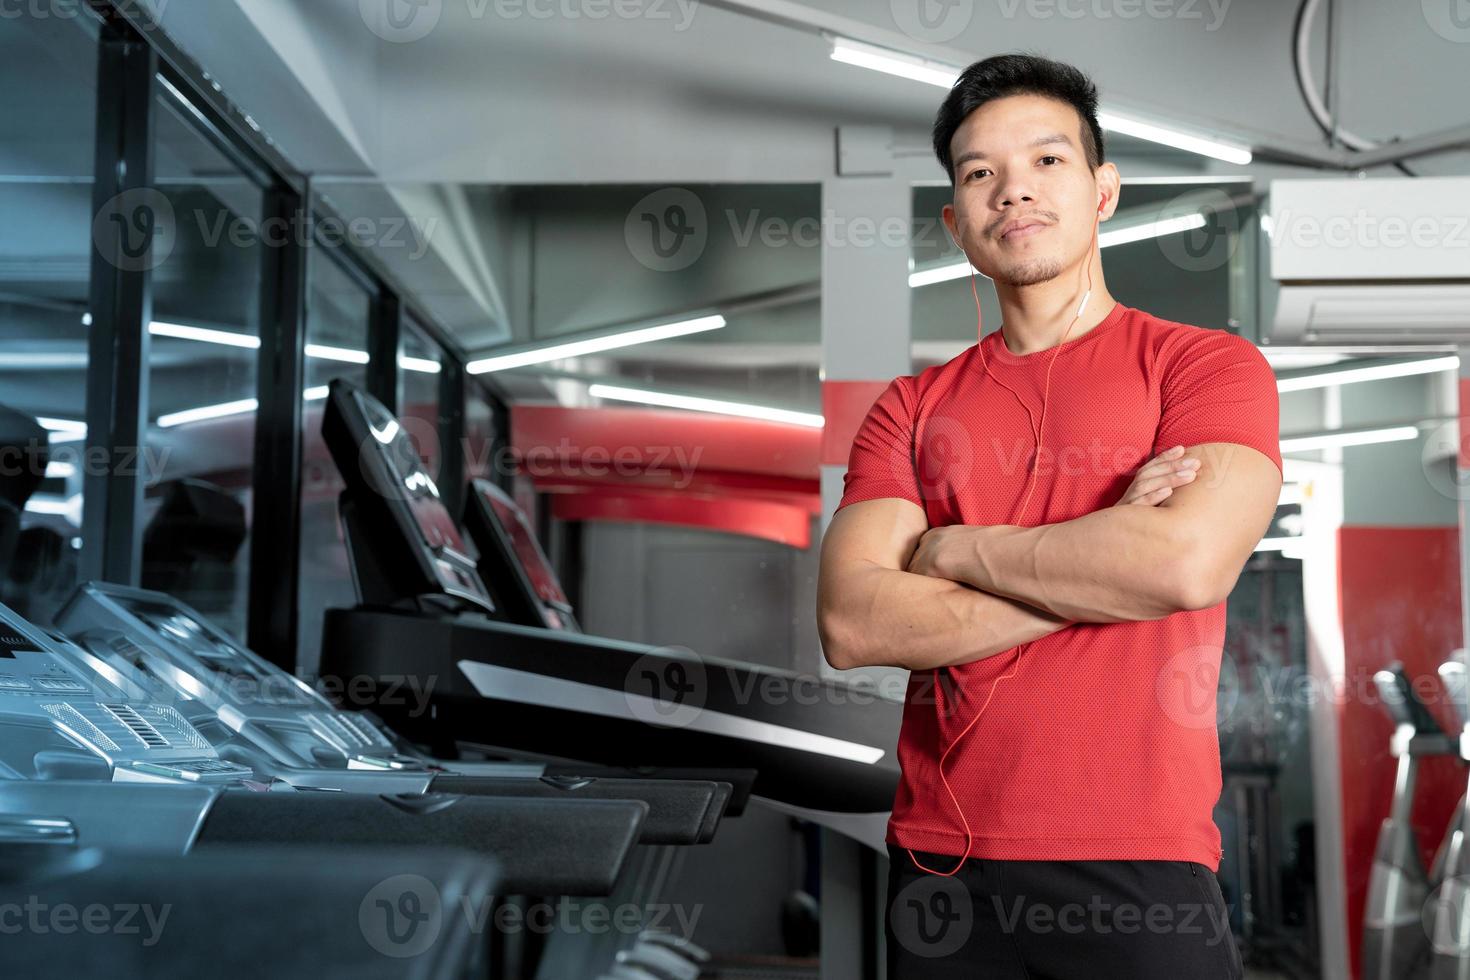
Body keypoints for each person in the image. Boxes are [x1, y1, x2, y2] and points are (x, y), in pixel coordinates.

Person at [815, 52, 1281, 979]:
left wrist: (949, 549)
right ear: (954, 221)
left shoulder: (1205, 370)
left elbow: (1183, 567)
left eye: (1047, 162)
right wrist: (1106, 565)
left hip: (1143, 862)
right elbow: (853, 622)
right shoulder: (909, 408)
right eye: (980, 173)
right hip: (943, 866)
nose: (1012, 193)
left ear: (1103, 190)